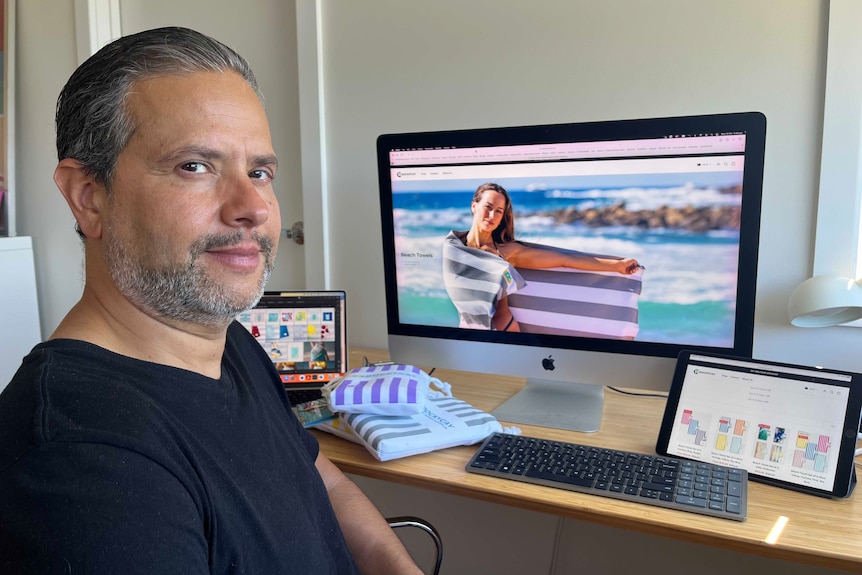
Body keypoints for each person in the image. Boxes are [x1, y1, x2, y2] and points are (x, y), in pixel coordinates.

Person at [0, 27, 423, 574]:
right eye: (194, 166)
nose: (252, 207)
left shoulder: (225, 344)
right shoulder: (84, 464)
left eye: (259, 172)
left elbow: (314, 473)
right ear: (89, 198)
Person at [454, 182, 641, 332]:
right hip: (470, 326)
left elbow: (565, 260)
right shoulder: (454, 247)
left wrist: (616, 266)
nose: (492, 215)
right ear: (474, 206)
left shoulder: (507, 251)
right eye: (488, 207)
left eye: (499, 211)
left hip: (503, 326)